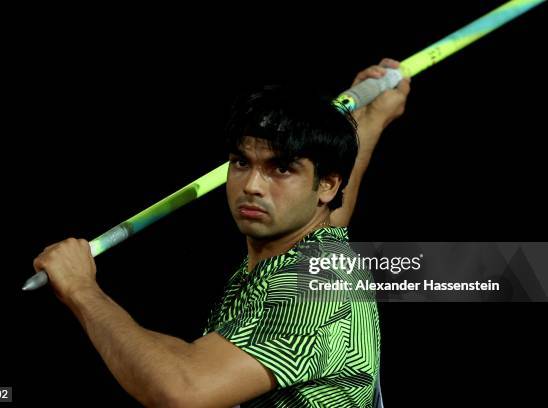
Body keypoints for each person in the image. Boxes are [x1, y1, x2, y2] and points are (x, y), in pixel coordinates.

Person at [33, 58, 410, 407]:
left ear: (328, 185)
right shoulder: (301, 251)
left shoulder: (319, 290)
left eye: (280, 168)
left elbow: (182, 390)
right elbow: (330, 211)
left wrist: (82, 289)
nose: (252, 186)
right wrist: (369, 122)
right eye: (242, 162)